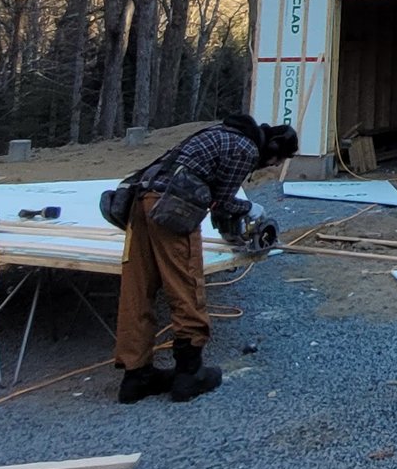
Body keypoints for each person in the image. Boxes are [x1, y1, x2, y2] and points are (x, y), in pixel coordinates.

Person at [113, 113, 299, 404]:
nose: (271, 167)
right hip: (171, 206)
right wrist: (251, 208)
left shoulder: (221, 133)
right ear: (272, 150)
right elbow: (223, 203)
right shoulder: (246, 149)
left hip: (141, 199)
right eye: (275, 161)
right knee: (186, 285)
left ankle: (136, 376)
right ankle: (189, 374)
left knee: (138, 288)